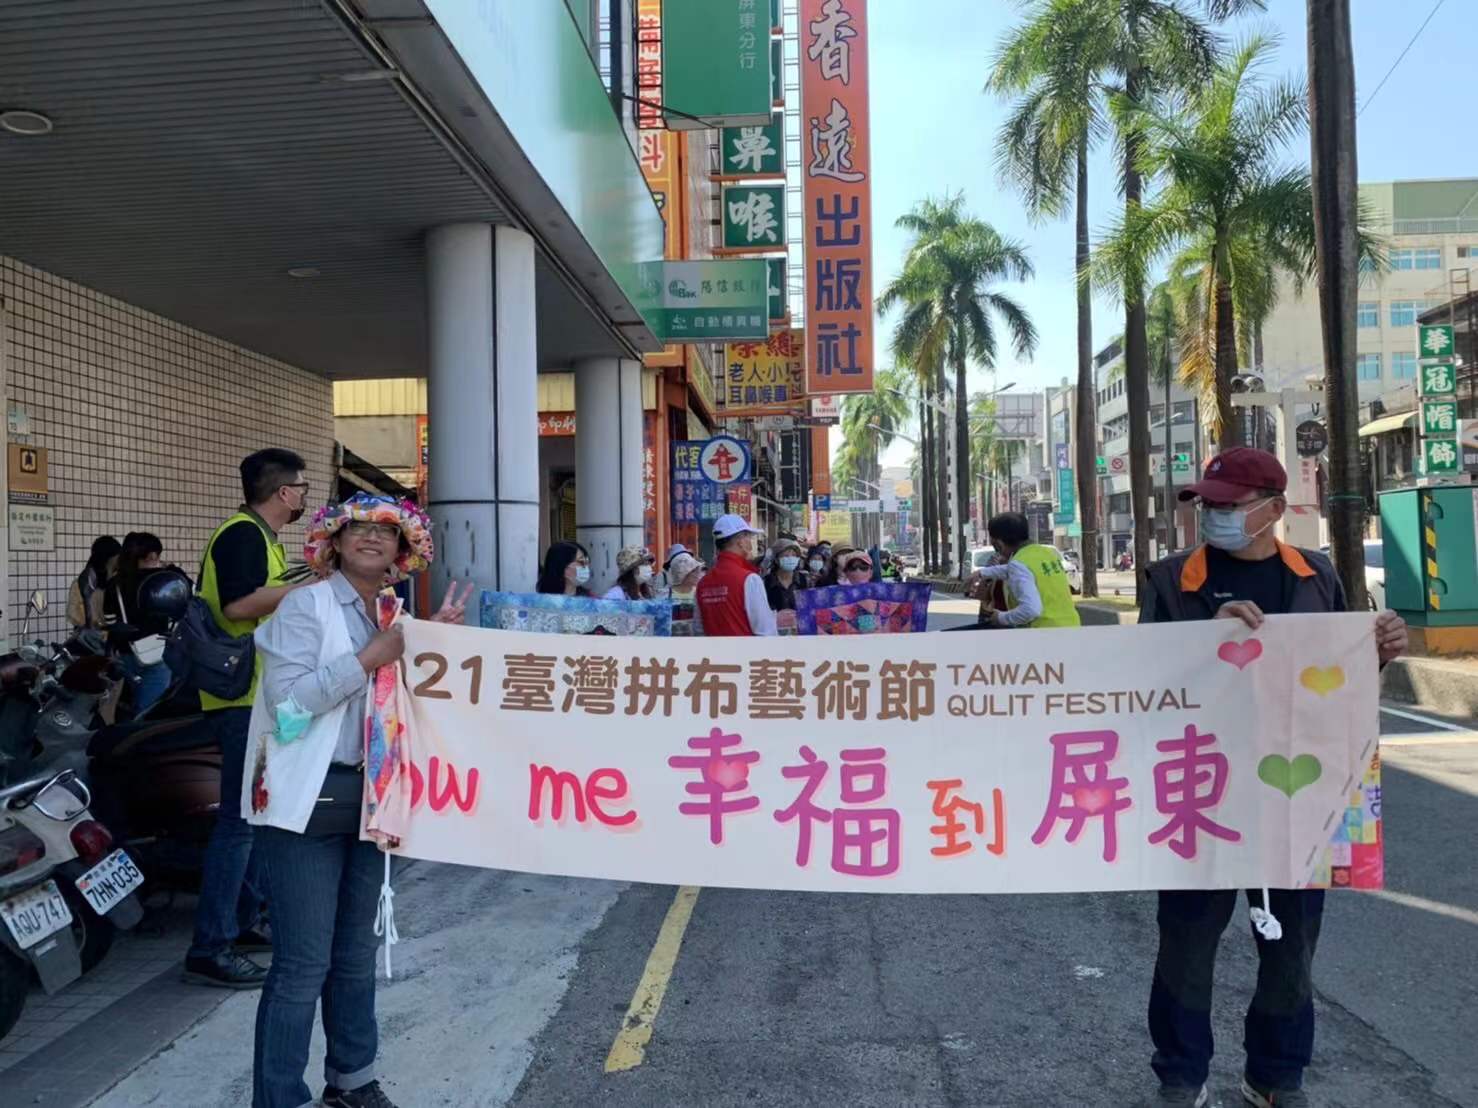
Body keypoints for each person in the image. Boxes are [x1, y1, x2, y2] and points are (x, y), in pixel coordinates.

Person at [1136, 447, 1407, 1108]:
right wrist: (1204, 640)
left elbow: (1339, 679)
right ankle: (1182, 1075)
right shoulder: (1171, 580)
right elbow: (1141, 684)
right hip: (1198, 790)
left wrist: (1378, 653)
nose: (1213, 514)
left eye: (1228, 504)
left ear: (1275, 509)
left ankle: (1276, 1075)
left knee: (1292, 949)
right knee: (1187, 943)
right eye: (1207, 503)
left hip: (1299, 793)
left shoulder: (1316, 575)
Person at [248, 493, 467, 1108]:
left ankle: (352, 1082)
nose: (372, 537)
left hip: (375, 800)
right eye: (358, 529)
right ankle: (279, 1098)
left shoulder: (396, 613)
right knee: (302, 964)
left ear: (403, 550)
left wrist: (434, 644)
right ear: (335, 543)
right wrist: (372, 657)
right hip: (306, 800)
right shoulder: (305, 607)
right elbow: (288, 709)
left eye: (386, 531)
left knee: (354, 956)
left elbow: (408, 704)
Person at [184, 448, 312, 989]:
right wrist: (307, 590)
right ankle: (210, 948)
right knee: (239, 823)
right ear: (283, 491)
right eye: (302, 487)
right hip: (241, 701)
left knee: (258, 816)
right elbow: (238, 606)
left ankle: (244, 922)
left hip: (263, 698)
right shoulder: (241, 534)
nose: (304, 496)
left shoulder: (264, 538)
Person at [964, 512, 1082, 629]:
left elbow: (1030, 610)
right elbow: (1021, 570)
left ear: (999, 544)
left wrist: (1000, 618)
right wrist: (982, 573)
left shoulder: (1019, 563)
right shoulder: (1045, 553)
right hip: (1070, 626)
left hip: (1043, 631)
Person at [103, 531, 173, 714]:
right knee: (149, 712)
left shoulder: (115, 583)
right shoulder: (162, 581)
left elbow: (110, 620)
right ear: (151, 556)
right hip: (157, 652)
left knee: (131, 705)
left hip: (126, 653)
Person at [695, 514, 777, 636]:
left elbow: (698, 630)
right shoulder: (749, 579)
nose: (750, 543)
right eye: (748, 537)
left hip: (713, 648)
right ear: (740, 542)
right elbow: (766, 631)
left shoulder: (702, 584)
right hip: (747, 648)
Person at [68, 535, 121, 630]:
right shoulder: (80, 583)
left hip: (110, 634)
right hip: (92, 636)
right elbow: (74, 615)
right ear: (110, 558)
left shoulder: (119, 581)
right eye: (118, 556)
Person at [762, 538, 809, 632]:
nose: (791, 558)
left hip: (800, 632)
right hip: (773, 633)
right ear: (776, 559)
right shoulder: (766, 582)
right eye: (786, 555)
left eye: (794, 555)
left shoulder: (804, 580)